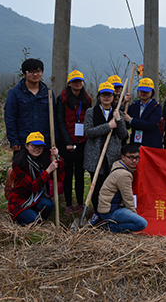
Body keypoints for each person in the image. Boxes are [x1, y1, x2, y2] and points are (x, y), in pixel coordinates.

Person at [84, 81, 128, 215]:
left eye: (109, 95)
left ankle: (109, 212)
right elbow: (88, 132)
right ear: (99, 96)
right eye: (103, 95)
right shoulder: (91, 112)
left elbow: (124, 134)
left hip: (112, 155)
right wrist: (108, 126)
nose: (106, 98)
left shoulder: (117, 112)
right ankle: (97, 213)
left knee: (110, 187)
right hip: (95, 154)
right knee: (96, 186)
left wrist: (119, 121)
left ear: (114, 96)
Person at [7, 132, 64, 225]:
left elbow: (59, 178)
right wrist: (48, 171)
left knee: (48, 204)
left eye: (40, 146)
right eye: (33, 146)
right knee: (37, 222)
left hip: (36, 199)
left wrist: (58, 157)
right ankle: (27, 220)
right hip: (20, 202)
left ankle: (34, 218)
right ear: (26, 146)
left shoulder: (43, 161)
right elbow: (32, 186)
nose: (37, 149)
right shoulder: (19, 164)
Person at [56, 70, 92, 215]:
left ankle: (80, 203)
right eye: (75, 81)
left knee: (80, 174)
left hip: (82, 142)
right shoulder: (62, 99)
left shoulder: (87, 99)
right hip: (66, 143)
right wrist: (68, 142)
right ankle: (69, 204)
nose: (78, 84)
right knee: (67, 174)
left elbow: (89, 119)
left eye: (80, 81)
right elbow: (60, 121)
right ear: (69, 83)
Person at [5, 58, 55, 153]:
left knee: (45, 168)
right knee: (22, 167)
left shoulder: (48, 93)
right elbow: (10, 118)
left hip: (44, 142)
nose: (35, 75)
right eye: (31, 72)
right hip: (23, 142)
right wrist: (14, 140)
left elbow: (53, 118)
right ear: (24, 73)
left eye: (38, 71)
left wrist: (54, 140)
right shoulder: (15, 93)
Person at [97, 143, 148, 233]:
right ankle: (110, 227)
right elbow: (128, 198)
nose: (134, 161)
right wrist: (133, 216)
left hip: (111, 208)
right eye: (131, 157)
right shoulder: (124, 174)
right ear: (123, 157)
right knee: (142, 223)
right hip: (110, 211)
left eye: (137, 158)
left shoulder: (119, 165)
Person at [125, 78, 163, 148]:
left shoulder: (156, 107)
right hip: (135, 143)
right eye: (141, 91)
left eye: (146, 91)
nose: (143, 93)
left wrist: (131, 120)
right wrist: (124, 103)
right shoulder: (134, 105)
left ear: (152, 92)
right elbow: (125, 120)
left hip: (151, 144)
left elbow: (150, 125)